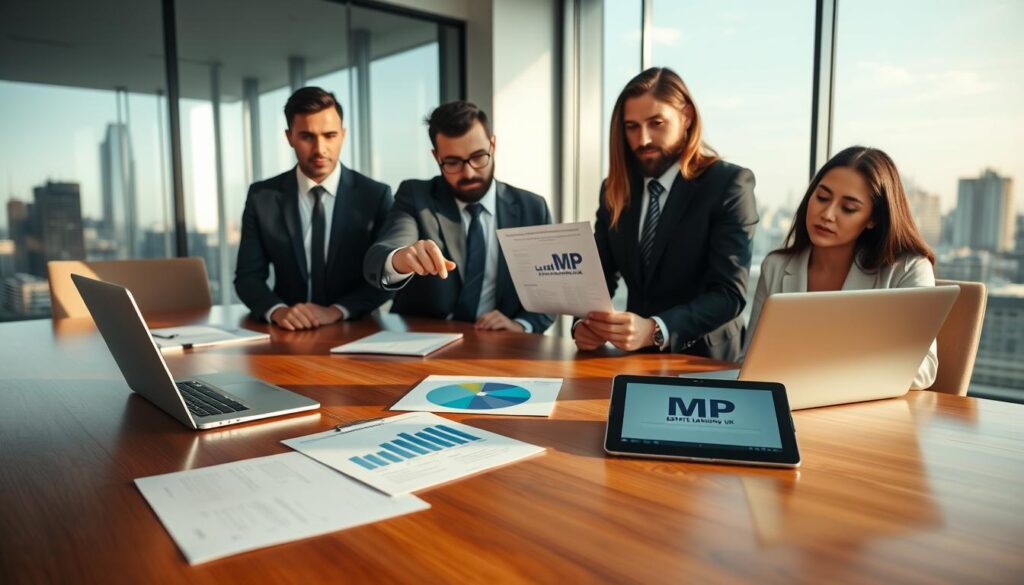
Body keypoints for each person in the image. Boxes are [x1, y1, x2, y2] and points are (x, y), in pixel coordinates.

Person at [575, 67, 758, 361]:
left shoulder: (728, 185)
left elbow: (728, 294)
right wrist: (585, 325)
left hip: (706, 360)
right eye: (632, 126)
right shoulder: (615, 188)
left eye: (656, 123)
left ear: (686, 116)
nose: (643, 138)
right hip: (635, 357)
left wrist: (655, 329)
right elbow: (600, 275)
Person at [746, 146, 938, 389]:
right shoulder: (776, 265)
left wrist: (824, 370)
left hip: (866, 410)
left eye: (848, 208)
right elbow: (750, 361)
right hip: (791, 403)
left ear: (873, 219)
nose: (827, 214)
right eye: (822, 197)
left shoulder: (908, 269)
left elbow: (923, 369)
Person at [363, 101, 554, 333]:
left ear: (493, 144)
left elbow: (549, 293)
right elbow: (381, 253)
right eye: (453, 162)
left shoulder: (532, 208)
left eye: (478, 157)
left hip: (500, 347)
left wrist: (520, 325)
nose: (469, 172)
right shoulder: (416, 196)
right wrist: (401, 258)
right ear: (436, 157)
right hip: (422, 342)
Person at [234, 87, 393, 330]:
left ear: (343, 135)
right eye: (307, 136)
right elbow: (248, 277)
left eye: (330, 135)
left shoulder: (375, 196)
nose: (320, 149)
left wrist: (336, 311)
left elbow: (385, 277)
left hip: (356, 329)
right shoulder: (262, 197)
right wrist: (277, 311)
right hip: (287, 331)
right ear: (289, 137)